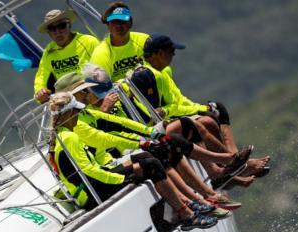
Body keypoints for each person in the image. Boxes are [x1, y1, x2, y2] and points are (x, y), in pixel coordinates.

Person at [54, 71, 237, 215]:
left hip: (109, 162)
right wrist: (142, 145)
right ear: (71, 100)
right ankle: (194, 203)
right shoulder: (74, 128)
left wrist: (152, 134)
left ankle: (208, 191)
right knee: (156, 155)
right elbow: (105, 139)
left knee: (167, 143)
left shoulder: (84, 114)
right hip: (103, 172)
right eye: (84, 90)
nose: (88, 94)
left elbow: (121, 124)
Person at [48, 92, 217, 230]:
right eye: (76, 111)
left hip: (94, 184)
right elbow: (88, 170)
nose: (78, 115)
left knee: (146, 157)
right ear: (69, 113)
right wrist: (121, 178)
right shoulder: (69, 137)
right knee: (151, 165)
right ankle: (186, 214)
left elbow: (118, 124)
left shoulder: (63, 134)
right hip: (92, 191)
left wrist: (148, 136)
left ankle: (186, 204)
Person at [140, 33, 271, 182]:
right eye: (171, 51)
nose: (174, 54)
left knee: (216, 110)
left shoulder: (163, 72)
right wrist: (198, 110)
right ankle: (238, 166)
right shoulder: (150, 76)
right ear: (159, 53)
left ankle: (234, 160)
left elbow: (179, 99)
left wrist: (200, 108)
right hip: (163, 123)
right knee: (201, 123)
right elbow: (166, 108)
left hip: (173, 115)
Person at [34, 9, 99, 103]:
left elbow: (105, 67)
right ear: (48, 33)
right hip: (69, 102)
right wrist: (39, 91)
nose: (58, 32)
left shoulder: (89, 42)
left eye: (61, 26)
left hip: (93, 95)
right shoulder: (49, 51)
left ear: (69, 26)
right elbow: (41, 76)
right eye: (52, 29)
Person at [89, 2, 149, 83]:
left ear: (130, 23)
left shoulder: (145, 41)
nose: (118, 25)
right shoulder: (100, 53)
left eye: (122, 21)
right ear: (108, 25)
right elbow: (100, 88)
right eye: (114, 22)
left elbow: (158, 69)